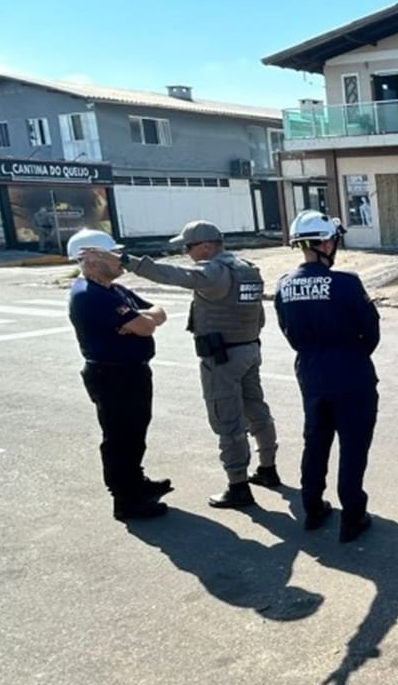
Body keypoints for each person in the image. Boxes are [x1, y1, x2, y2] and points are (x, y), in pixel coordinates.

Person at [82, 220, 280, 510]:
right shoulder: (246, 268)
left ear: (207, 246)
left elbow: (173, 275)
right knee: (257, 409)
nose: (187, 253)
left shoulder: (213, 272)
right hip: (249, 348)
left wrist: (127, 261)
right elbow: (258, 315)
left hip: (222, 356)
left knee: (227, 421)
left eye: (189, 247)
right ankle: (268, 468)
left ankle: (238, 486)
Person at [274, 211, 380, 543]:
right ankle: (353, 515)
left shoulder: (284, 285)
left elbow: (288, 332)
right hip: (352, 374)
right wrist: (353, 353)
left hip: (311, 373)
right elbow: (371, 331)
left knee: (316, 441)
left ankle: (312, 507)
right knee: (353, 446)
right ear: (324, 244)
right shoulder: (347, 283)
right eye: (333, 240)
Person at [66, 229, 172, 522]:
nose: (121, 260)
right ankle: (126, 499)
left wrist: (142, 319)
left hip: (132, 371)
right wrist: (143, 321)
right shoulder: (90, 294)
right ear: (92, 260)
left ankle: (135, 482)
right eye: (113, 255)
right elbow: (147, 327)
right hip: (112, 375)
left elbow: (158, 313)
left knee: (135, 433)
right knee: (120, 437)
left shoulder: (114, 290)